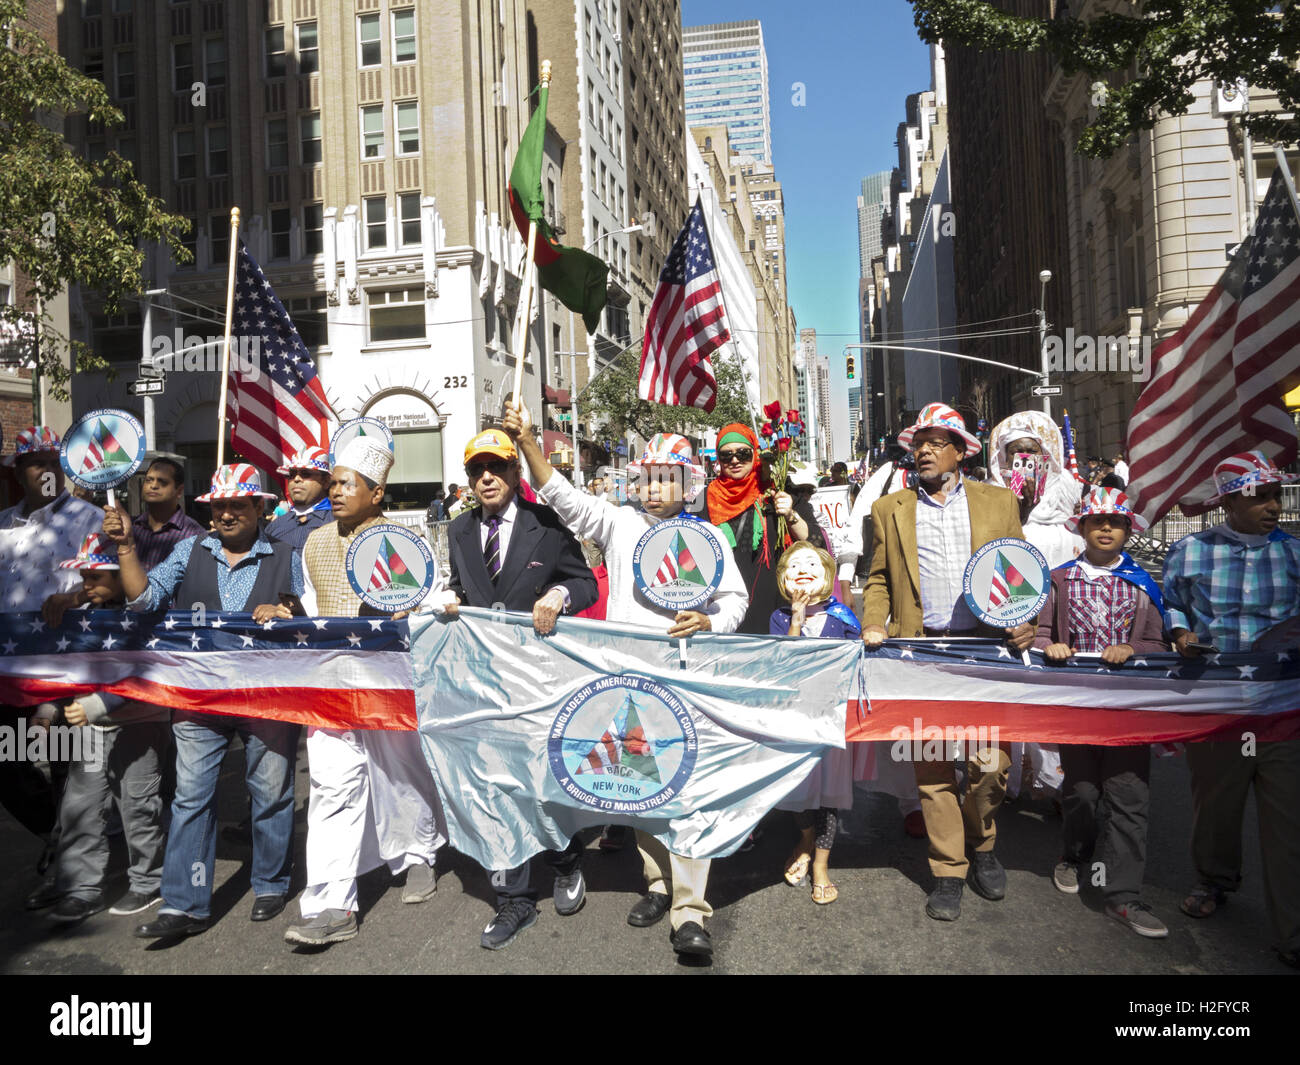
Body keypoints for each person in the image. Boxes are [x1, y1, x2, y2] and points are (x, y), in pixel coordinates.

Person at [504, 403, 747, 958]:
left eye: (668, 478)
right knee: (640, 779)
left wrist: (710, 620)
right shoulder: (617, 522)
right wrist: (528, 445)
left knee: (685, 790)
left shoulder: (707, 538)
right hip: (624, 679)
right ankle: (658, 885)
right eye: (648, 477)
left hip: (682, 679)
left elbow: (735, 600)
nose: (655, 487)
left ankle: (690, 912)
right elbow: (563, 496)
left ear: (689, 485)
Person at [103, 463, 304, 939]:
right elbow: (144, 600)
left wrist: (287, 608)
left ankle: (271, 882)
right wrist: (127, 548)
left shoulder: (287, 553)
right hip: (199, 694)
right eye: (220, 506)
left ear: (260, 507)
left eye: (238, 505)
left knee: (270, 792)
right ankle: (184, 903)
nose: (228, 514)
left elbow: (307, 610)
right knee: (192, 797)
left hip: (266, 694)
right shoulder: (188, 549)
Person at [861, 402, 1034, 922]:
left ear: (961, 451)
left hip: (985, 652)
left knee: (989, 769)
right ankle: (948, 870)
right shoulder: (889, 509)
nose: (925, 450)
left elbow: (1018, 569)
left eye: (938, 442)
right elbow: (879, 579)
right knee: (932, 769)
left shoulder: (999, 502)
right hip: (920, 651)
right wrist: (874, 621)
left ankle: (983, 845)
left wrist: (1025, 619)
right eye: (919, 442)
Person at [280, 437, 447, 947]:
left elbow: (437, 598)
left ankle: (419, 856)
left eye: (346, 483)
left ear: (377, 493)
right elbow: (310, 609)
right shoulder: (313, 543)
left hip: (389, 679)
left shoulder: (403, 540)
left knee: (400, 771)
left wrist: (413, 611)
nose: (335, 491)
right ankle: (332, 904)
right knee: (331, 788)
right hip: (331, 683)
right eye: (332, 482)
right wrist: (287, 617)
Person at [440, 428, 598, 951]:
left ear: (514, 473)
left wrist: (557, 593)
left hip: (539, 679)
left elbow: (585, 583)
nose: (486, 478)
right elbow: (462, 590)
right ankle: (514, 897)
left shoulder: (546, 525)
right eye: (476, 470)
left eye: (497, 467)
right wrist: (448, 598)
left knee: (542, 779)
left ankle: (565, 858)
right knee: (493, 787)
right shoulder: (459, 531)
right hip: (482, 682)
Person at [1161, 450, 1300, 969]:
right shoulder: (1190, 550)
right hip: (1216, 701)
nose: (1271, 506)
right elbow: (1169, 599)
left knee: (1287, 819)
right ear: (1229, 504)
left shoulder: (1294, 554)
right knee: (1216, 806)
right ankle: (1215, 880)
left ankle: (1292, 932)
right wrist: (1179, 631)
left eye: (1275, 496)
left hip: (1283, 706)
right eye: (1258, 496)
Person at [1034, 487, 1170, 937]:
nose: (1106, 528)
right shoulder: (1058, 579)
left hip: (1128, 707)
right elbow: (1039, 633)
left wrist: (1131, 648)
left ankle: (1124, 895)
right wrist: (1050, 645)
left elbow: (1156, 642)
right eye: (1097, 521)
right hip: (1077, 705)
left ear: (1128, 530)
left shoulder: (1144, 584)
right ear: (1083, 528)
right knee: (1084, 793)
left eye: (1115, 522)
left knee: (1129, 795)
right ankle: (1074, 854)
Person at [33, 533, 169, 922]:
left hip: (140, 725)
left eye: (95, 577)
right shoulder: (78, 620)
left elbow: (151, 672)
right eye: (83, 577)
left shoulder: (149, 617)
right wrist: (46, 711)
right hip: (90, 730)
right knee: (80, 805)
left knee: (138, 805)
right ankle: (80, 887)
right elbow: (65, 673)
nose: (85, 586)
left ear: (119, 574)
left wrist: (97, 705)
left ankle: (147, 880)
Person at [0, 426, 103, 880]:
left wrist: (75, 596)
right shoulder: (3, 524)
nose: (45, 470)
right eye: (35, 462)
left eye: (52, 461)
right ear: (19, 472)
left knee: (65, 763)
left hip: (63, 663)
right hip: (9, 666)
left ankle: (72, 870)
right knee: (8, 763)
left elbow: (105, 583)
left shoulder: (89, 517)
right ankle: (56, 832)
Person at [987, 411, 1084, 801]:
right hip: (1004, 625)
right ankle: (1005, 783)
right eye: (1015, 452)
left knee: (1053, 699)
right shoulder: (991, 503)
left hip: (1053, 629)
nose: (1024, 458)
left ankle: (1057, 785)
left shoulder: (1067, 511)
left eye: (1032, 450)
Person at [770, 541, 864, 905]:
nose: (804, 569)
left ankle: (821, 866)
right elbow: (785, 661)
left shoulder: (843, 618)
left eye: (813, 563)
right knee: (799, 788)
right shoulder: (779, 617)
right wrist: (796, 617)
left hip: (831, 720)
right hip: (794, 720)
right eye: (795, 565)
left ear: (827, 573)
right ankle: (805, 840)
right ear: (784, 577)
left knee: (828, 795)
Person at [703, 423, 815, 634]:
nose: (734, 460)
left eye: (743, 453)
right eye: (726, 455)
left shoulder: (780, 490)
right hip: (724, 612)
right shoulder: (704, 499)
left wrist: (790, 515)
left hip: (776, 610)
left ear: (755, 454)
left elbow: (813, 540)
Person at [129, 457, 206, 572]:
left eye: (162, 482)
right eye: (149, 480)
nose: (153, 486)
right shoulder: (130, 528)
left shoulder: (194, 535)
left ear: (179, 491)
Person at [266, 446, 334, 553]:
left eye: (306, 474)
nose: (296, 479)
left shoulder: (339, 524)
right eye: (292, 475)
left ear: (326, 481)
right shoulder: (274, 527)